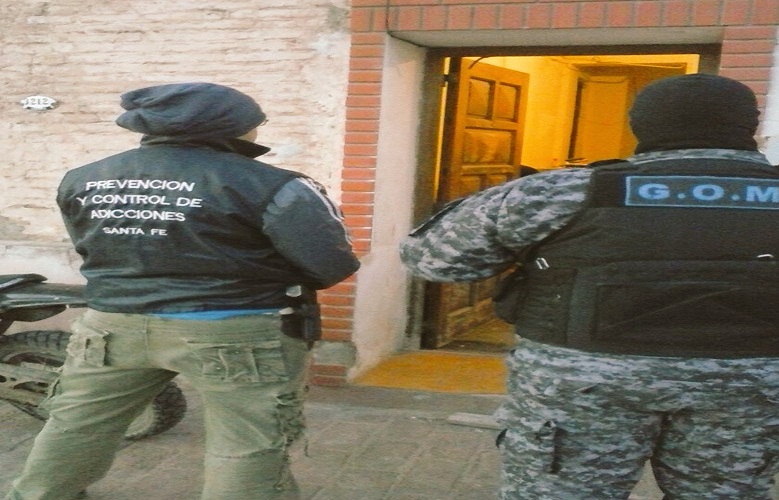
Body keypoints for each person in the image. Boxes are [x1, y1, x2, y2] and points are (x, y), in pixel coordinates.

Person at [399, 74, 779, 499]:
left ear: (640, 124)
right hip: (751, 388)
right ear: (749, 125)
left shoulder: (559, 192)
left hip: (582, 387)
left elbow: (433, 260)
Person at [6, 82, 360, 500]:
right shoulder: (273, 185)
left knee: (76, 426)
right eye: (255, 123)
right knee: (247, 444)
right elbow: (331, 264)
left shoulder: (83, 178)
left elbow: (94, 247)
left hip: (112, 327)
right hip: (236, 332)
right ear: (228, 127)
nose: (257, 131)